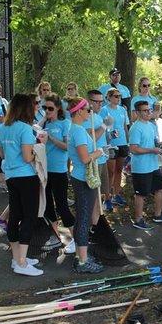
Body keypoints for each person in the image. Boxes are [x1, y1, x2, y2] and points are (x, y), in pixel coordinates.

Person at [0, 94, 44, 276]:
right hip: (26, 177)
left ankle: (17, 258)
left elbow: (2, 154)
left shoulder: (3, 128)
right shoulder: (25, 129)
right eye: (33, 106)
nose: (35, 109)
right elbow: (27, 157)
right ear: (26, 109)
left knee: (14, 215)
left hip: (11, 176)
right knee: (29, 217)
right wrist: (39, 148)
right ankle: (22, 263)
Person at [66, 96, 105, 273]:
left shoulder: (76, 129)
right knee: (83, 219)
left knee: (84, 217)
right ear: (79, 111)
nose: (90, 112)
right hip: (83, 180)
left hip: (81, 178)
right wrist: (98, 152)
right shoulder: (79, 131)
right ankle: (82, 261)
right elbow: (84, 158)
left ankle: (81, 255)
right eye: (88, 109)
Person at [129, 101, 162, 229]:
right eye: (145, 110)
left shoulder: (150, 125)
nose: (149, 112)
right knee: (141, 194)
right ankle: (138, 220)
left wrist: (159, 145)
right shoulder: (136, 128)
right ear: (137, 113)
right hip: (141, 168)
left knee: (160, 188)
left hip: (153, 165)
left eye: (150, 110)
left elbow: (152, 142)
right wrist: (152, 150)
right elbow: (133, 149)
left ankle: (158, 215)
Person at [41, 93, 75, 253]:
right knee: (47, 205)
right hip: (44, 170)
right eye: (44, 108)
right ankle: (55, 236)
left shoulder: (65, 123)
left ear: (58, 109)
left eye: (50, 108)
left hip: (59, 171)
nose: (47, 111)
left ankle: (76, 238)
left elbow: (68, 147)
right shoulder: (44, 123)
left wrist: (52, 139)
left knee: (62, 205)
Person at [83, 89, 111, 221]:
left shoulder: (98, 116)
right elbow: (91, 138)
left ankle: (98, 221)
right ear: (89, 101)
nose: (100, 104)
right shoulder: (87, 118)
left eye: (102, 101)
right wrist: (104, 126)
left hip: (102, 158)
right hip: (94, 161)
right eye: (97, 102)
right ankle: (92, 224)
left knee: (102, 192)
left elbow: (102, 138)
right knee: (93, 194)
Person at [102, 88, 130, 208]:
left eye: (119, 96)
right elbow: (102, 128)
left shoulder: (122, 110)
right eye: (115, 96)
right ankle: (107, 198)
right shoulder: (104, 110)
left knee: (119, 170)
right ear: (109, 97)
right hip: (111, 144)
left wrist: (128, 142)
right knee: (110, 171)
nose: (118, 98)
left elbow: (125, 126)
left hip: (122, 143)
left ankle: (116, 194)